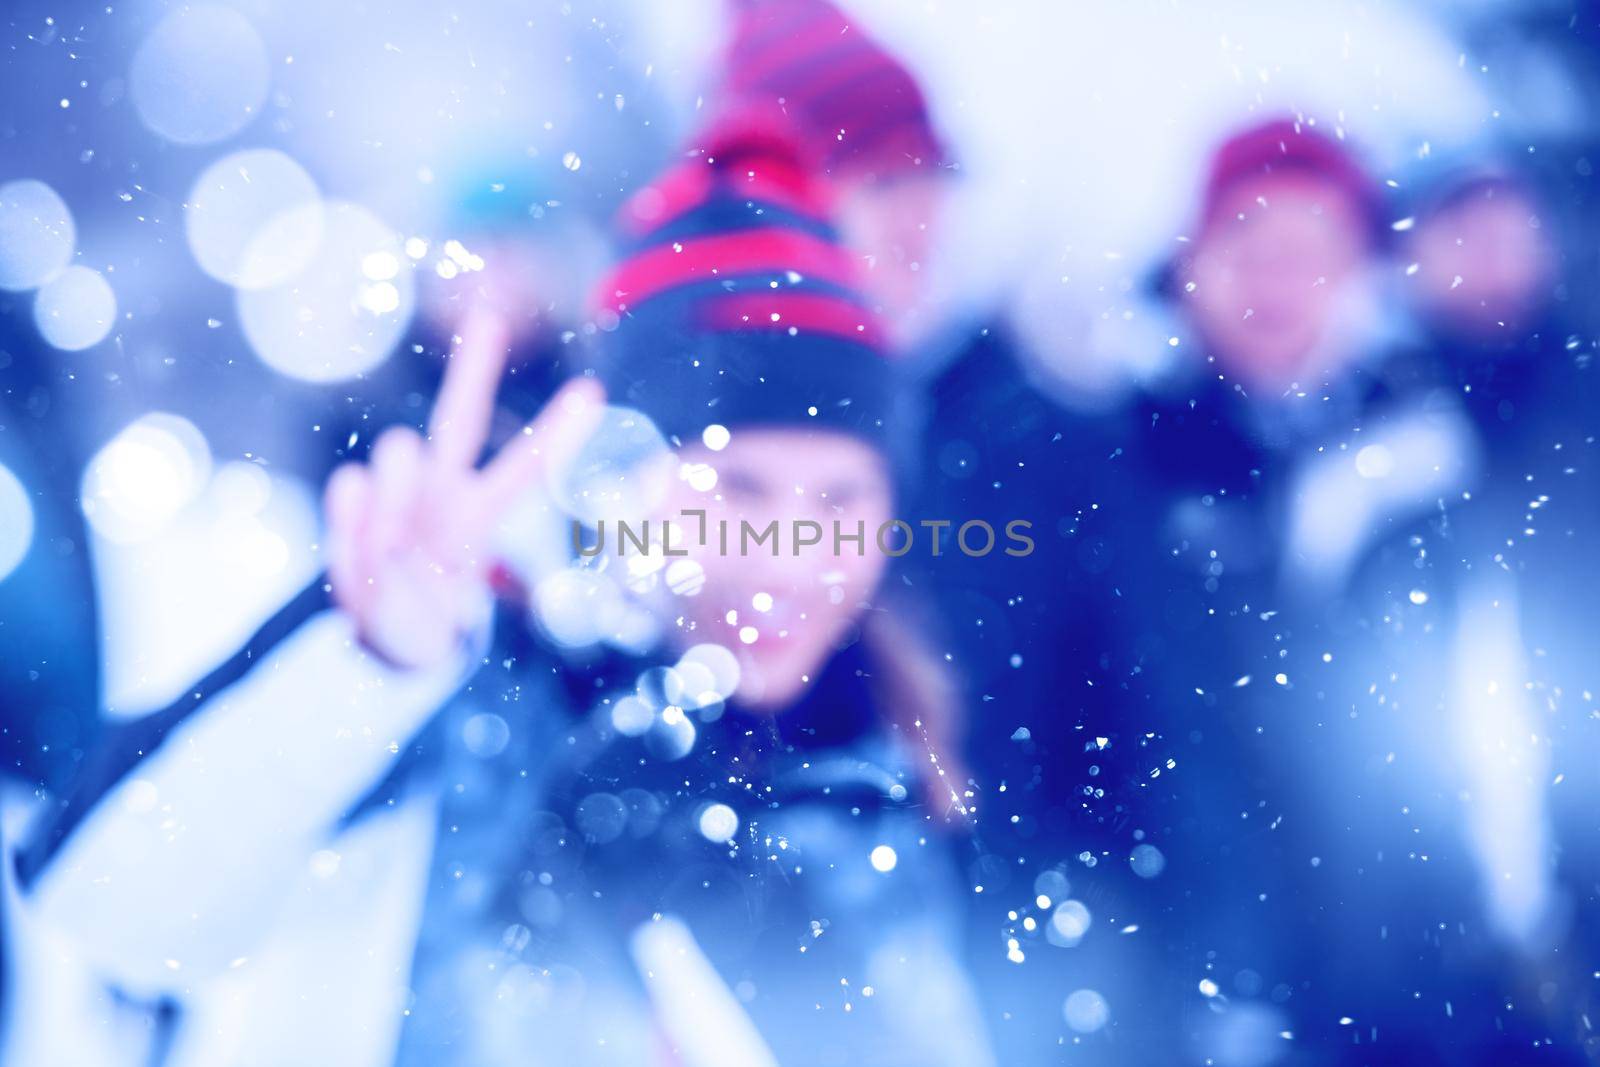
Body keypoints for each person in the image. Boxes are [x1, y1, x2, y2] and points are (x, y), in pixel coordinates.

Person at [20, 106, 994, 1066]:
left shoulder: (889, 759)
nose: (790, 551)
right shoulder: (479, 695)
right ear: (626, 482)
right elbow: (112, 907)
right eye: (736, 486)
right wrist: (373, 664)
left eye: (840, 498)